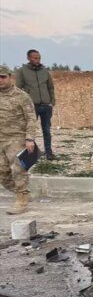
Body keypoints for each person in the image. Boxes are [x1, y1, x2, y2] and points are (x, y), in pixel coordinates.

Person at [0, 65, 38, 214]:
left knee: (18, 170)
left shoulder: (21, 96)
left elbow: (30, 118)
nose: (0, 80)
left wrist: (30, 138)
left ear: (10, 77)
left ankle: (21, 199)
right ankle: (23, 192)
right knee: (2, 173)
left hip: (16, 138)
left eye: (3, 77)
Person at [15, 49, 56, 160]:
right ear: (28, 58)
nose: (37, 60)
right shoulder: (22, 71)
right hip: (31, 107)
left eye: (39, 58)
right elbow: (18, 89)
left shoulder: (45, 71)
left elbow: (50, 87)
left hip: (46, 106)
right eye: (35, 58)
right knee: (30, 132)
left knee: (47, 130)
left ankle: (49, 154)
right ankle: (30, 157)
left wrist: (52, 102)